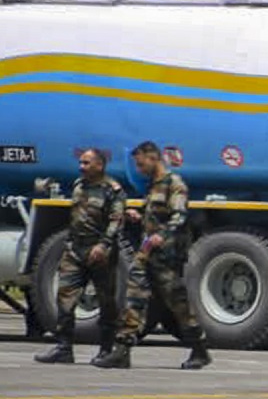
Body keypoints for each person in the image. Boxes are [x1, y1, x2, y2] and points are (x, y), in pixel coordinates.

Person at [93, 141, 211, 370]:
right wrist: (138, 217)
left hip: (166, 256)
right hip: (147, 254)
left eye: (141, 164)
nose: (139, 169)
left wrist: (161, 236)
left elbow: (179, 216)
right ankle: (122, 350)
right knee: (134, 298)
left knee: (178, 303)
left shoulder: (174, 184)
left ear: (153, 158)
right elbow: (156, 216)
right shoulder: (152, 186)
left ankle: (200, 349)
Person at [35, 148, 126, 366]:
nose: (81, 167)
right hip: (75, 251)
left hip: (99, 253)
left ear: (99, 165)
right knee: (64, 298)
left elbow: (116, 220)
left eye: (86, 163)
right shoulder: (79, 185)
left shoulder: (112, 190)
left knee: (106, 302)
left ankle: (106, 349)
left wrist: (103, 245)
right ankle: (63, 348)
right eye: (81, 162)